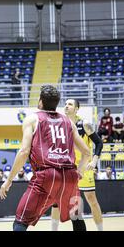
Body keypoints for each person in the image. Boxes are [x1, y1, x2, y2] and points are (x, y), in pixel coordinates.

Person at [0, 85, 91, 232]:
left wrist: (9, 180)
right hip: (70, 176)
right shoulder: (69, 122)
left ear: (41, 101)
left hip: (46, 175)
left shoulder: (33, 119)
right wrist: (79, 172)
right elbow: (86, 152)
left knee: (21, 221)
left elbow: (23, 152)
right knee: (77, 217)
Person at [51, 98, 104, 231]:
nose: (66, 106)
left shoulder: (84, 124)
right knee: (57, 203)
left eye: (70, 104)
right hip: (67, 168)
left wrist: (94, 160)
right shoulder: (60, 124)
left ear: (76, 109)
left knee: (91, 199)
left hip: (84, 167)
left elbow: (99, 143)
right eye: (66, 104)